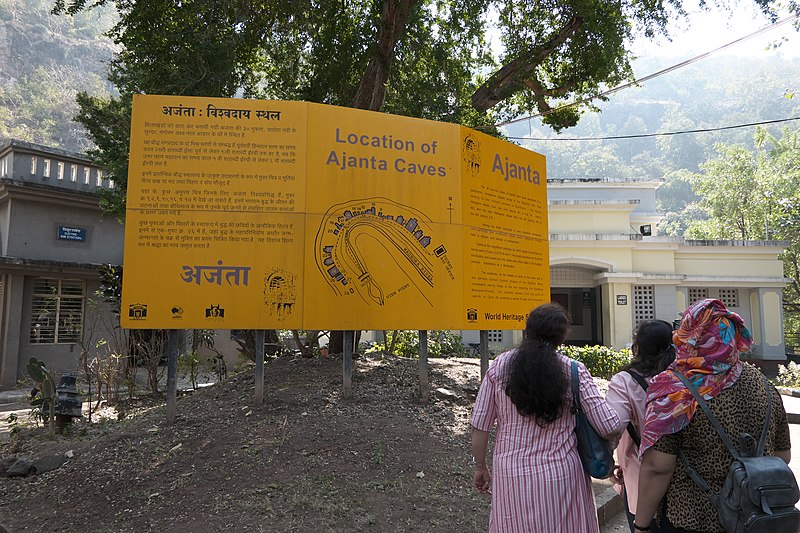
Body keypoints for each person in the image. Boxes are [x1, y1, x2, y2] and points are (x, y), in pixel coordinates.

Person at [633, 298, 792, 533]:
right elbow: (782, 455)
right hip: (755, 518)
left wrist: (641, 526)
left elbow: (658, 466)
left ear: (690, 336)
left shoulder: (675, 389)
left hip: (692, 520)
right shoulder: (764, 385)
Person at [471, 303, 620, 532]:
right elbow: (608, 425)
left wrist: (480, 466)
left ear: (527, 331)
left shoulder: (499, 367)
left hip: (511, 476)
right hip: (562, 477)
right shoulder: (573, 371)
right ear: (561, 338)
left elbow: (480, 424)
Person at [607, 319, 676, 533]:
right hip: (687, 485)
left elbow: (612, 427)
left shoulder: (625, 381)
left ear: (637, 348)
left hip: (643, 480)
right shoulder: (685, 377)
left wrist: (607, 465)